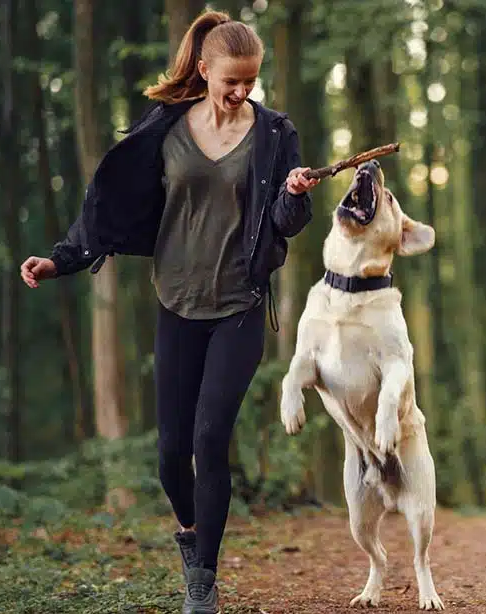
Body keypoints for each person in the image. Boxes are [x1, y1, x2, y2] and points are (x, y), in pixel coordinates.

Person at [19, 10, 321, 614]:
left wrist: (293, 196)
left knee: (210, 439)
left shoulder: (274, 133)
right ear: (204, 69)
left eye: (251, 82)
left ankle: (202, 584)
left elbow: (287, 226)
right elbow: (110, 201)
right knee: (169, 453)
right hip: (177, 303)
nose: (241, 93)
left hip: (239, 304)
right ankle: (191, 532)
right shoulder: (165, 129)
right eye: (231, 80)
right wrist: (63, 260)